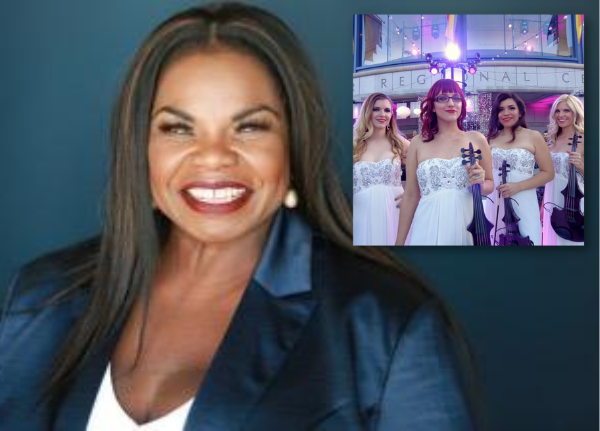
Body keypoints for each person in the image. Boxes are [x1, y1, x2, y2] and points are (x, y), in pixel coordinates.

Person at [0, 3, 477, 430]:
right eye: (178, 128)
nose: (213, 157)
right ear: (141, 147)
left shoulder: (386, 327)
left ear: (292, 144)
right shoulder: (41, 296)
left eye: (249, 127)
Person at [395, 79, 493, 246]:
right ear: (432, 106)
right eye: (442, 98)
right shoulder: (418, 142)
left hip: (467, 222)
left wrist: (481, 183)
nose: (451, 103)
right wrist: (399, 243)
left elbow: (490, 184)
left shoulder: (476, 138)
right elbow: (411, 195)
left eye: (456, 98)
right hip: (427, 221)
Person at [483, 93, 554, 246]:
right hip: (496, 199)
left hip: (524, 199)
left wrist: (518, 186)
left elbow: (548, 173)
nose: (506, 113)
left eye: (511, 108)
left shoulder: (533, 136)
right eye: (501, 109)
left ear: (520, 112)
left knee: (526, 240)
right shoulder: (490, 139)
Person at [353, 93, 411, 245]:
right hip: (360, 213)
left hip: (394, 212)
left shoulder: (401, 143)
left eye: (387, 110)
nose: (382, 114)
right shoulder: (353, 142)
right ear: (367, 112)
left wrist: (413, 194)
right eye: (376, 109)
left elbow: (427, 170)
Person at [542, 94, 584, 246]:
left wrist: (580, 165)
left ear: (576, 112)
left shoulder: (585, 138)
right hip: (551, 196)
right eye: (557, 111)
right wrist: (542, 205)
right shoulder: (552, 139)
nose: (561, 115)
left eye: (566, 110)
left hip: (574, 198)